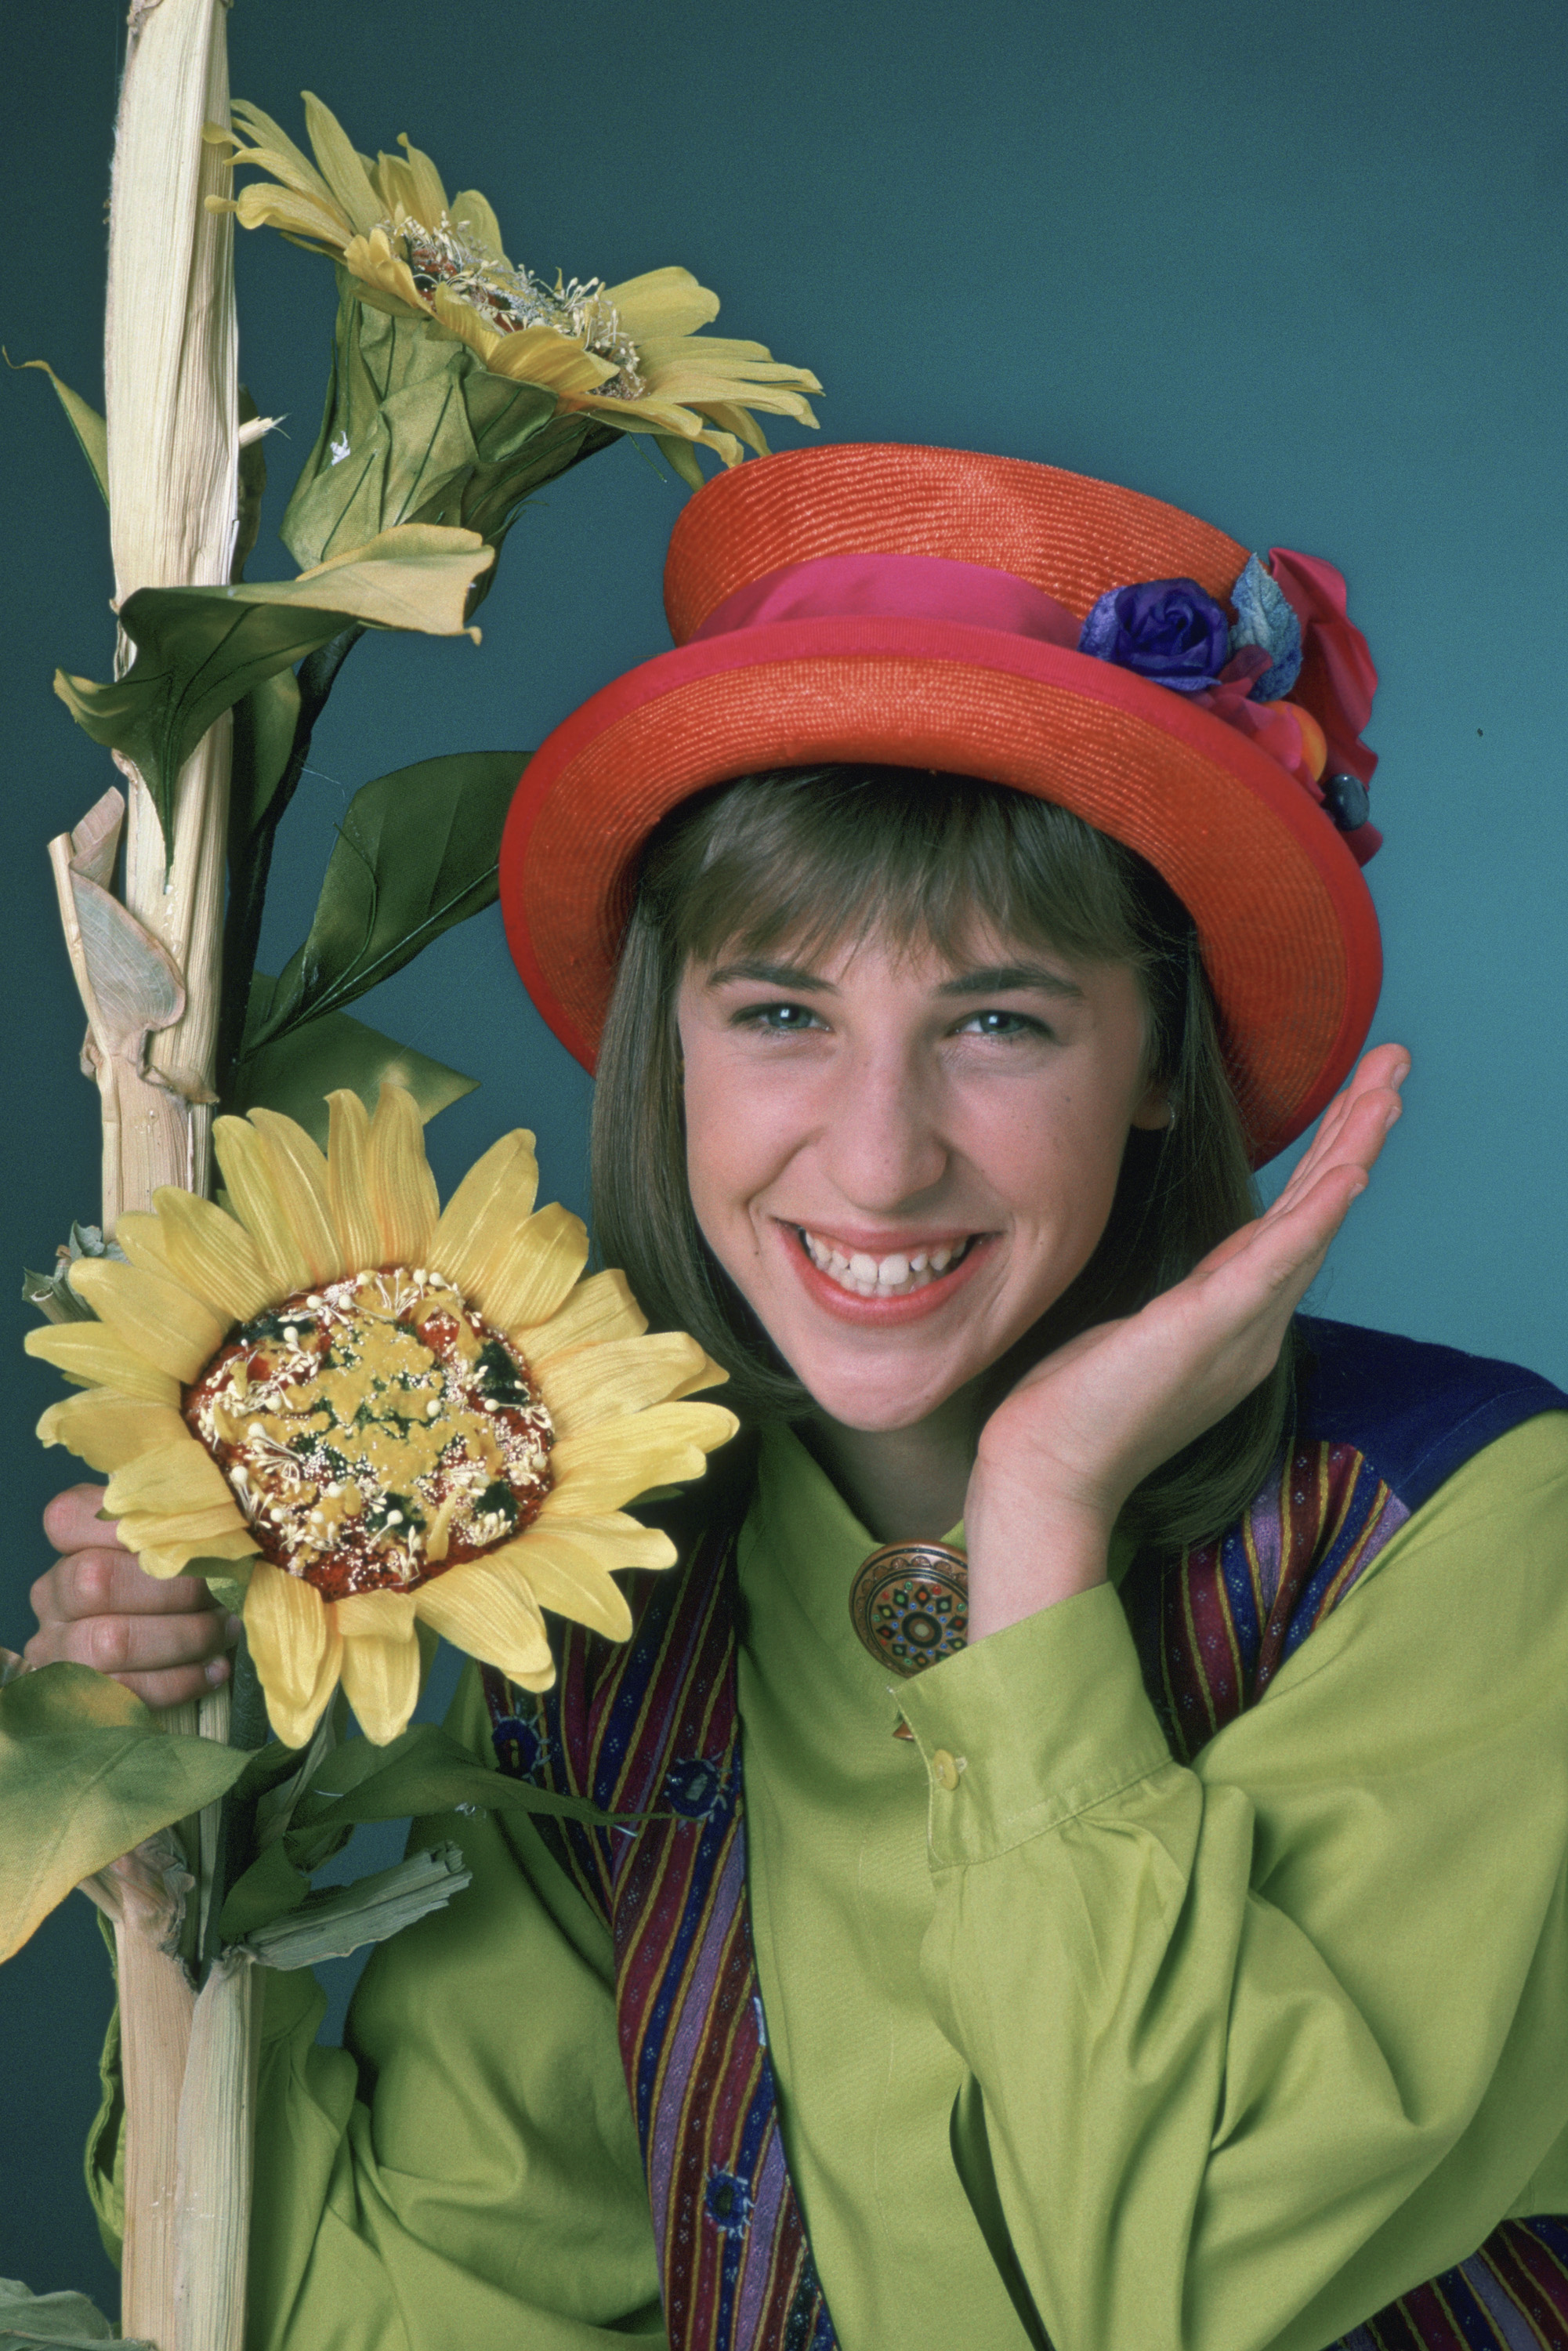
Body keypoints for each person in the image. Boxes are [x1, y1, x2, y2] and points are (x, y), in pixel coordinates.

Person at [27, 442, 1568, 2351]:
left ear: (1156, 1059)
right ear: (665, 1046)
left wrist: (1039, 1527)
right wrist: (176, 1829)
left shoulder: (1456, 1524)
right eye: (780, 1014)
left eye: (997, 1022)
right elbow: (438, 2301)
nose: (877, 1156)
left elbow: (1166, 2295)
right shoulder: (589, 1583)